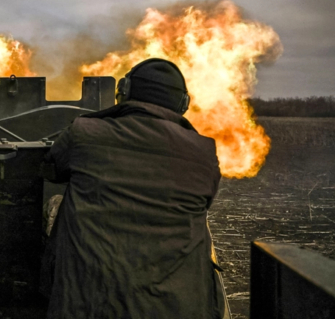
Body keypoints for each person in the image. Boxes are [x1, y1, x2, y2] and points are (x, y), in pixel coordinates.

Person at [41, 58, 229, 319]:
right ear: (182, 105)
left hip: (86, 307)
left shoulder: (84, 133)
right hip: (176, 309)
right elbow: (205, 200)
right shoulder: (204, 152)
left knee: (57, 205)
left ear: (124, 92)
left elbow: (51, 169)